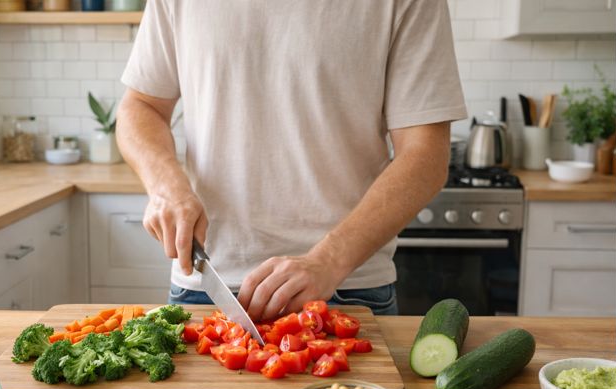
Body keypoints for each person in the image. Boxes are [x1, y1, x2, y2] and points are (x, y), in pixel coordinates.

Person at [116, 0, 466, 320]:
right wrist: (165, 186)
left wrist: (327, 261)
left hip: (346, 287)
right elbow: (140, 106)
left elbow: (425, 154)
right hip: (207, 284)